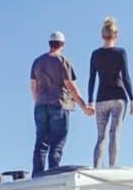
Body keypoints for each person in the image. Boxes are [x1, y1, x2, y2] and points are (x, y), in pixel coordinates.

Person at [30, 31, 93, 175]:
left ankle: (37, 174)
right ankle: (52, 174)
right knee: (57, 144)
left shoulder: (37, 61)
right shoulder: (62, 61)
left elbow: (33, 86)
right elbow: (70, 86)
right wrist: (84, 106)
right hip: (58, 105)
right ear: (62, 44)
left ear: (49, 43)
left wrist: (38, 102)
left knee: (41, 142)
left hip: (40, 105)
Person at [88, 16, 133, 168]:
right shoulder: (121, 53)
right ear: (116, 35)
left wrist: (90, 100)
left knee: (101, 137)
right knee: (114, 133)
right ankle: (112, 167)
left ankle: (96, 167)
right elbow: (126, 77)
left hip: (101, 99)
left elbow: (91, 79)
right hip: (118, 99)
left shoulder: (95, 54)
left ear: (102, 35)